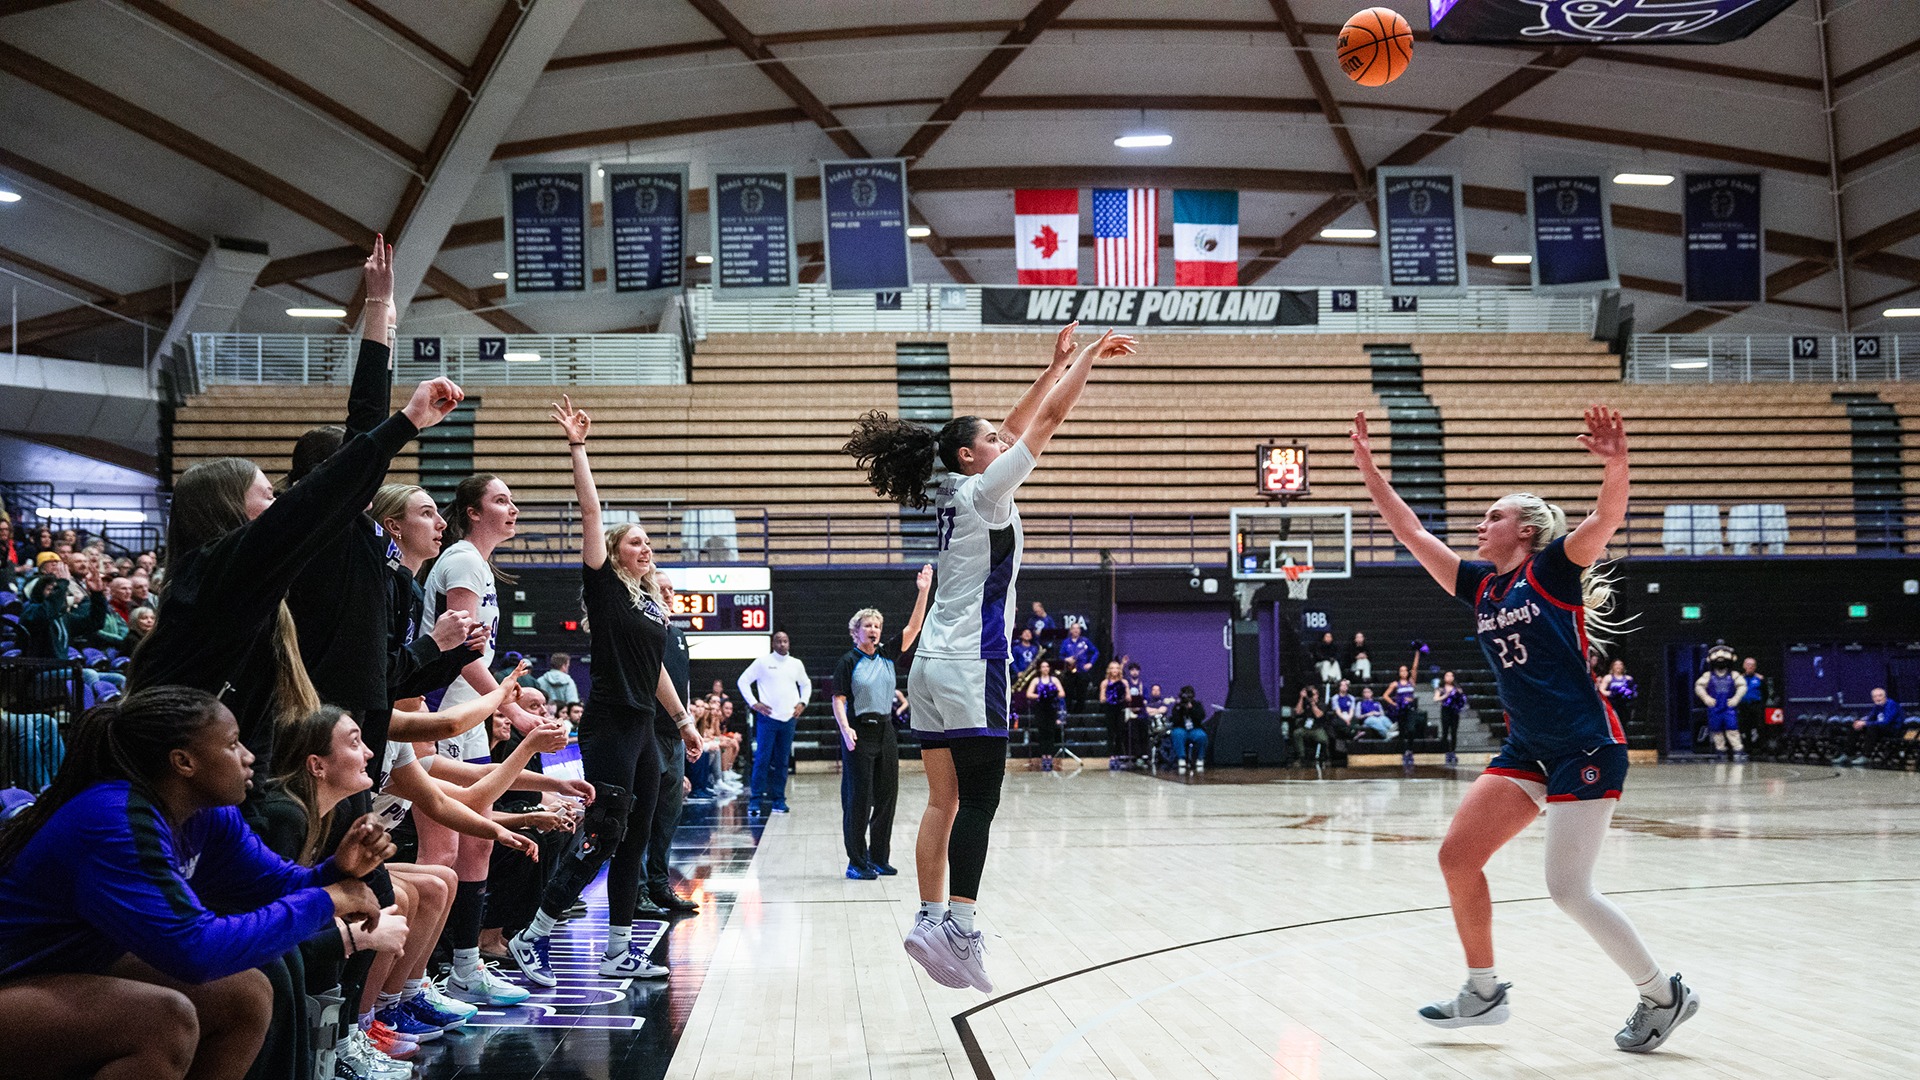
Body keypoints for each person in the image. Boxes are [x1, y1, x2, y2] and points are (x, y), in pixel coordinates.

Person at [1353, 405, 1697, 1051]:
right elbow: (1410, 531)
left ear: (1527, 530)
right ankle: (1482, 992)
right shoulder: (1481, 585)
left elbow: (1606, 519)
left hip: (1585, 742)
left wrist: (1616, 464)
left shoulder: (1553, 571)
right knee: (1457, 857)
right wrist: (1368, 468)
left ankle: (1663, 994)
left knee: (1568, 890)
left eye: (1493, 516)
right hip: (1528, 748)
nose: (1480, 525)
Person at [845, 320, 1134, 994]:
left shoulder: (955, 487)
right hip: (975, 664)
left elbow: (1013, 420)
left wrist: (1050, 364)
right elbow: (1049, 421)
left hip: (930, 670)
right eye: (993, 443)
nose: (1004, 442)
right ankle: (964, 929)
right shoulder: (986, 491)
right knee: (981, 800)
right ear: (974, 457)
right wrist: (1086, 360)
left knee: (941, 802)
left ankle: (928, 916)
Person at [0, 687, 389, 1080]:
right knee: (161, 1020)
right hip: (14, 981)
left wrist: (336, 872)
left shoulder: (205, 812)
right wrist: (326, 900)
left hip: (70, 966)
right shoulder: (113, 820)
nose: (249, 756)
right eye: (233, 744)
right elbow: (195, 951)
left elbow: (275, 882)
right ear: (183, 762)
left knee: (244, 994)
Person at [131, 361, 463, 792]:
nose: (277, 504)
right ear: (227, 508)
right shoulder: (218, 575)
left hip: (221, 781)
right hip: (181, 780)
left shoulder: (245, 588)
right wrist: (407, 418)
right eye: (268, 496)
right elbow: (323, 490)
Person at [507, 396, 702, 988]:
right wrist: (578, 447)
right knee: (609, 829)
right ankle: (529, 935)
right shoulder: (607, 590)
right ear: (615, 552)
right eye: (635, 543)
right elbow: (592, 515)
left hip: (645, 722)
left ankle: (620, 951)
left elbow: (658, 672)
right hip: (610, 722)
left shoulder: (650, 604)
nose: (646, 549)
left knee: (635, 837)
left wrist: (685, 721)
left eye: (649, 544)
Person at [832, 566, 932, 880]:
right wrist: (845, 728)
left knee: (887, 797)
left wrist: (924, 590)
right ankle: (856, 862)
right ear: (856, 632)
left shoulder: (887, 655)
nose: (873, 629)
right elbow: (839, 700)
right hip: (859, 733)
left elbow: (915, 627)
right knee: (858, 800)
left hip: (886, 731)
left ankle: (878, 858)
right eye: (867, 626)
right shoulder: (848, 662)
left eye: (877, 625)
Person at [635, 581, 700, 918]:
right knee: (642, 820)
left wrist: (688, 727)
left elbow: (682, 685)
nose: (670, 594)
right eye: (662, 588)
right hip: (647, 732)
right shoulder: (642, 630)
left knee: (668, 818)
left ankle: (659, 886)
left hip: (674, 736)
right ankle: (638, 890)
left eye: (672, 589)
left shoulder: (676, 633)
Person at [737, 630, 811, 816]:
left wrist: (803, 702)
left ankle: (779, 800)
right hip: (767, 719)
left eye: (785, 641)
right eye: (778, 641)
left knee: (782, 762)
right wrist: (754, 703)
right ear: (773, 644)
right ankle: (755, 802)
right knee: (762, 760)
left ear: (789, 643)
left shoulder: (796, 664)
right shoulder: (762, 662)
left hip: (788, 719)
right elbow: (743, 681)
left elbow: (806, 684)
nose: (782, 644)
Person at [1694, 643, 1747, 761]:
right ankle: (1720, 751)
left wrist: (1736, 698)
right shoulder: (1708, 675)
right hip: (1714, 708)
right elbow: (1698, 686)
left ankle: (1738, 750)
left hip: (1729, 707)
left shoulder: (1733, 675)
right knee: (1716, 730)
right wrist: (1705, 697)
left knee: (1732, 729)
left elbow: (1742, 686)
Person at [1836, 687, 1905, 766]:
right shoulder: (1877, 706)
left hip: (1893, 730)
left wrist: (1865, 723)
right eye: (1875, 697)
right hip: (1880, 729)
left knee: (1871, 728)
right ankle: (1848, 754)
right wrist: (1860, 722)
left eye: (1880, 696)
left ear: (1885, 696)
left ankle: (1866, 756)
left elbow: (1886, 722)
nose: (1877, 698)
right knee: (1855, 727)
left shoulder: (1891, 704)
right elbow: (1870, 718)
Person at [1024, 660, 1066, 771]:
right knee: (1042, 731)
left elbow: (1062, 693)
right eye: (1043, 667)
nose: (1045, 669)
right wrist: (1040, 695)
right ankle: (1044, 756)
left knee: (1050, 731)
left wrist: (1053, 694)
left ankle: (1050, 756)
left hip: (1051, 708)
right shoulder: (1036, 680)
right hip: (1040, 708)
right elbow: (1029, 693)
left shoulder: (1054, 680)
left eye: (1047, 666)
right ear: (1040, 669)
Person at [1056, 622, 1098, 715]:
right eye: (1074, 628)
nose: (1076, 630)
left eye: (1078, 628)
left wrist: (1090, 663)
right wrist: (1067, 659)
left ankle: (1078, 714)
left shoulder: (1085, 641)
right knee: (1068, 693)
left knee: (1081, 694)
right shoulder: (1066, 642)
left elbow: (1096, 652)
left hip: (1082, 671)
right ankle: (1068, 713)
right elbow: (1060, 656)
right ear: (1070, 630)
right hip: (1069, 671)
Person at [1097, 660, 1129, 769]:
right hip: (1110, 709)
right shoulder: (1105, 682)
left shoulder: (1124, 682)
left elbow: (1128, 697)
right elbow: (1101, 699)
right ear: (1109, 670)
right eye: (1112, 668)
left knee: (1119, 733)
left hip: (1120, 709)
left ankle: (1118, 755)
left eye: (1117, 668)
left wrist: (1121, 695)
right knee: (1111, 733)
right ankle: (1111, 757)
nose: (1114, 670)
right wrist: (1110, 697)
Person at [1168, 686, 1208, 772]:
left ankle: (1200, 758)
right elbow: (1175, 720)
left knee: (1201, 736)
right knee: (1177, 734)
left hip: (1194, 729)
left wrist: (1192, 709)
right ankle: (1181, 758)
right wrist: (1180, 709)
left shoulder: (1197, 705)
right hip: (1182, 729)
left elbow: (1201, 717)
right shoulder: (1178, 706)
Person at [1595, 659, 1637, 738]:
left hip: (1624, 704)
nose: (1618, 666)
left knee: (1624, 721)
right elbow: (1601, 689)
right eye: (1616, 665)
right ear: (1612, 667)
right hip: (1613, 703)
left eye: (1620, 664)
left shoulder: (1628, 678)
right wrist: (1610, 693)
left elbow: (1633, 690)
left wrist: (1628, 694)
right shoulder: (1608, 678)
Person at [1737, 657, 1769, 756]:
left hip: (1756, 705)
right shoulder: (1739, 679)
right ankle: (1748, 749)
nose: (1750, 667)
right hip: (1744, 706)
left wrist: (1761, 704)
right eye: (1748, 664)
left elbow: (1765, 693)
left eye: (1752, 665)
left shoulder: (1760, 679)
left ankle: (1763, 748)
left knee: (1760, 726)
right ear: (1744, 666)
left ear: (1755, 667)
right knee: (1746, 727)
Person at [1292, 686, 1331, 764]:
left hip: (1317, 728)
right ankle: (1301, 757)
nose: (1311, 696)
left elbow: (1318, 715)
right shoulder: (1305, 703)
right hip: (1305, 728)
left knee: (1324, 739)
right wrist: (1301, 698)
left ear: (1317, 695)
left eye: (1313, 694)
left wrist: (1313, 704)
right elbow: (1297, 712)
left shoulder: (1322, 704)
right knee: (1296, 733)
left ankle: (1327, 757)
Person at [1436, 671, 1468, 765]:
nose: (1449, 677)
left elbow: (1462, 699)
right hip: (1445, 711)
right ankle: (1447, 752)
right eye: (1447, 675)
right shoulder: (1441, 688)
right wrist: (1446, 695)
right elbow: (1436, 698)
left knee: (1454, 732)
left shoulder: (1457, 688)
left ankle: (1453, 752)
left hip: (1454, 712)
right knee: (1445, 732)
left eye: (1451, 676)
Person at [1311, 631, 1342, 698]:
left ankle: (1337, 679)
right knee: (1326, 663)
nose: (1328, 638)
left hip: (1330, 663)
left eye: (1330, 637)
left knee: (1335, 663)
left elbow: (1337, 655)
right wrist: (1328, 658)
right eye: (1327, 636)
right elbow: (1318, 656)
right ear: (1323, 638)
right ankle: (1325, 679)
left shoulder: (1334, 646)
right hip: (1319, 664)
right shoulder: (1318, 645)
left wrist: (1332, 659)